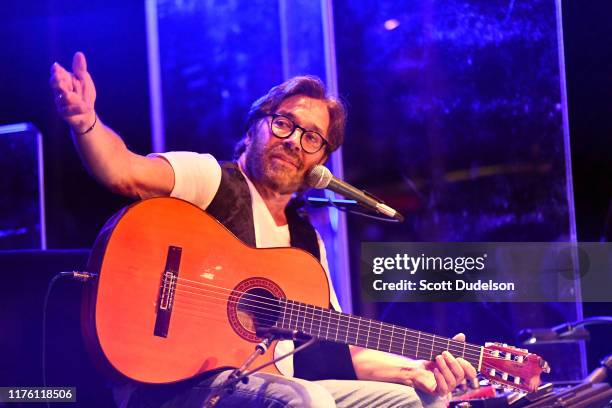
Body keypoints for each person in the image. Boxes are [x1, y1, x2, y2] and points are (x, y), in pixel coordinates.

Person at [50, 51, 477, 408]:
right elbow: (124, 171)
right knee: (308, 402)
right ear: (254, 126)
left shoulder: (307, 244)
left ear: (320, 164)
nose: (294, 141)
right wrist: (85, 121)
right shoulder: (212, 179)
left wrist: (418, 371)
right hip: (175, 383)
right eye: (284, 123)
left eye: (312, 138)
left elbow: (342, 346)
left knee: (406, 402)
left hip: (270, 389)